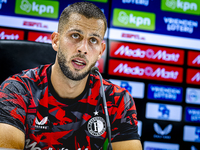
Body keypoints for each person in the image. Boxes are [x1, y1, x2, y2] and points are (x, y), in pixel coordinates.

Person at [0, 2, 142, 150]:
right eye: (75, 36)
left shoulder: (116, 100)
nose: (83, 48)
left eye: (93, 40)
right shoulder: (16, 90)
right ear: (56, 41)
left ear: (101, 50)